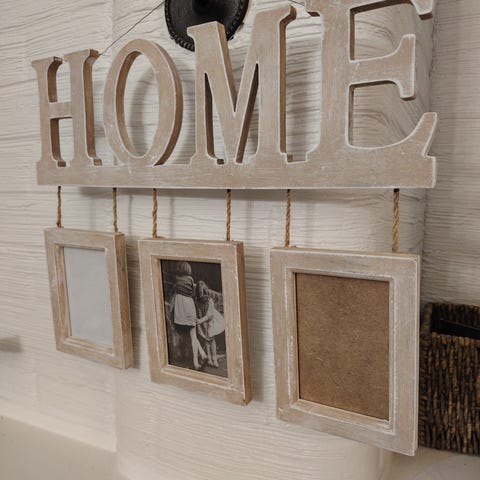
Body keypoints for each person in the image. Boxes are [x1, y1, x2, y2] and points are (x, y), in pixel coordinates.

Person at [172, 262, 206, 370]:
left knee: (186, 333)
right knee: (193, 335)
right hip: (189, 306)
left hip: (180, 308)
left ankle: (202, 354)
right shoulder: (190, 279)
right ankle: (197, 361)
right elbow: (193, 294)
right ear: (188, 269)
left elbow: (174, 290)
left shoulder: (176, 278)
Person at [195, 280, 226, 368]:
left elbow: (210, 314)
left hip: (211, 320)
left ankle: (214, 359)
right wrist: (202, 322)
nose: (202, 298)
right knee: (206, 339)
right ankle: (209, 359)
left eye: (203, 295)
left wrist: (202, 321)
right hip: (203, 321)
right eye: (200, 295)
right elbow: (199, 312)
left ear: (206, 293)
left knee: (211, 339)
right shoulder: (197, 302)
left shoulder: (210, 301)